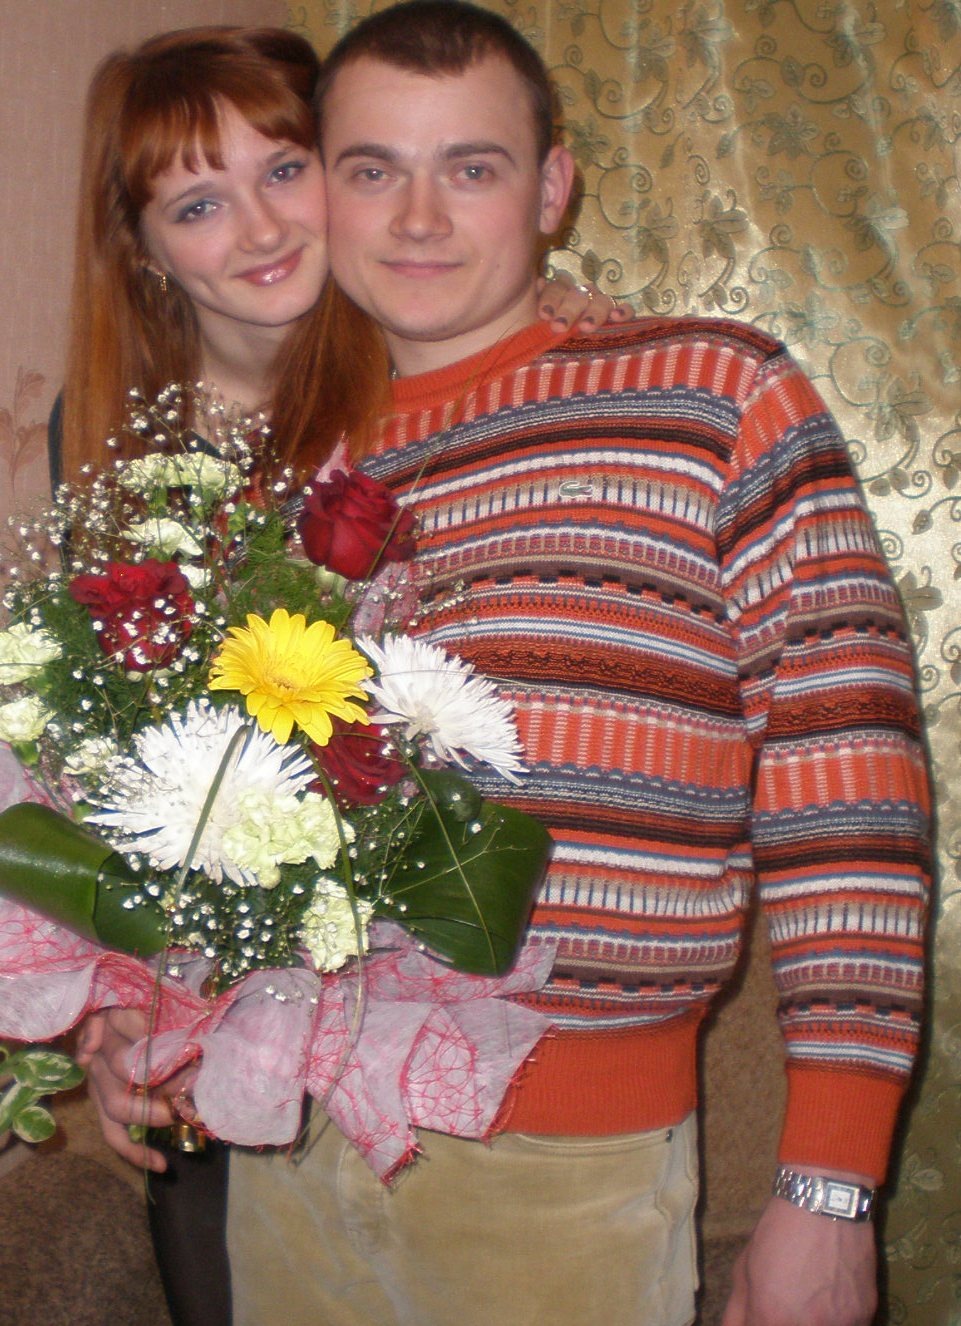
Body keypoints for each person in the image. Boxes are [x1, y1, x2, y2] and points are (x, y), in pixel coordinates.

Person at [220, 5, 932, 1326]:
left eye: (470, 167)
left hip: (564, 1178)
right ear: (322, 192)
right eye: (373, 169)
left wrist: (830, 1187)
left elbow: (847, 790)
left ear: (551, 189)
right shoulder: (285, 477)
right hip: (288, 1151)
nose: (418, 216)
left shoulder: (712, 398)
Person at [54, 23, 626, 1326]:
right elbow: (97, 777)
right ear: (144, 249)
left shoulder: (414, 381)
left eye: (284, 170)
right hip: (222, 1038)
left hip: (423, 1007)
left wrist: (564, 304)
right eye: (198, 204)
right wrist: (109, 1019)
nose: (262, 228)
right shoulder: (120, 458)